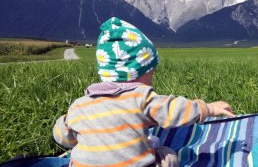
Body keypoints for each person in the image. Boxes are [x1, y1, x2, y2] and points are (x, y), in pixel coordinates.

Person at [53, 17, 235, 167]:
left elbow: (62, 137)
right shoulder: (141, 98)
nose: (152, 79)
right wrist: (207, 109)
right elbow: (176, 110)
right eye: (151, 73)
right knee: (168, 156)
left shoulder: (79, 105)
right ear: (137, 74)